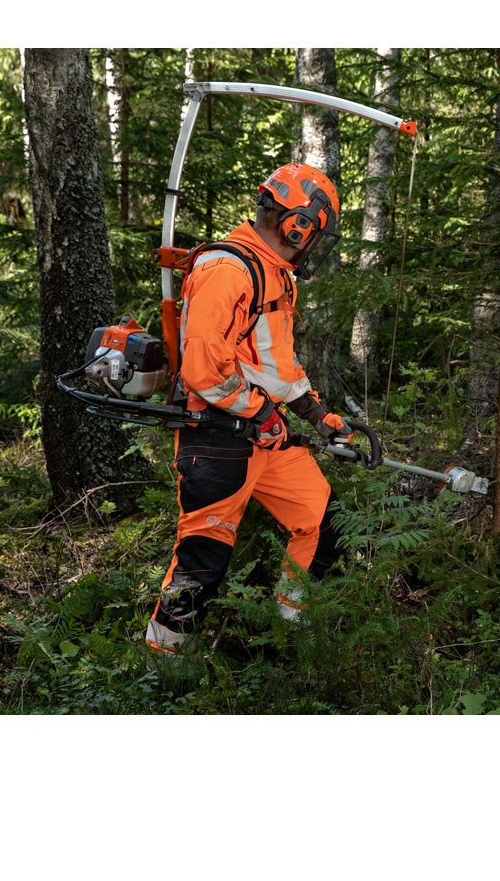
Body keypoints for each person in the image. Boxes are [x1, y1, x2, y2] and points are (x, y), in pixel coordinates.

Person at [145, 162, 353, 655]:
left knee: (322, 522)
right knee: (203, 560)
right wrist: (261, 415)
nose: (312, 244)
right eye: (313, 233)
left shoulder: (273, 273)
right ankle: (163, 667)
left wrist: (314, 414)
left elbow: (275, 362)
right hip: (216, 436)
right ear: (298, 223)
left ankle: (288, 635)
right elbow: (203, 368)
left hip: (264, 433)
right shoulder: (227, 270)